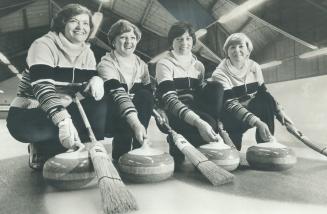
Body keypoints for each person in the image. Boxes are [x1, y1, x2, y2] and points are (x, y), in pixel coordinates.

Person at [6, 4, 107, 170]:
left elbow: (84, 89)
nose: (81, 27)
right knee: (39, 133)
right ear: (62, 23)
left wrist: (95, 79)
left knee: (100, 101)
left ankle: (86, 148)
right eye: (74, 21)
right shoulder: (43, 45)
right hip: (32, 111)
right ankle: (39, 146)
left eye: (86, 23)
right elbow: (43, 89)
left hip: (64, 107)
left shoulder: (88, 53)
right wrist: (63, 120)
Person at [155, 21, 224, 165]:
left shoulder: (199, 66)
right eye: (179, 39)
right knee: (203, 126)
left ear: (193, 41)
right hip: (171, 111)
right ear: (171, 42)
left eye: (188, 38)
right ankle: (175, 140)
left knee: (216, 88)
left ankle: (198, 140)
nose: (184, 43)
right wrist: (199, 123)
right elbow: (169, 100)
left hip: (193, 108)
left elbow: (200, 95)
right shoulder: (164, 64)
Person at [211, 32, 293, 151]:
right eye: (232, 47)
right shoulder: (219, 73)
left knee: (265, 100)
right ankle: (232, 144)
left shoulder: (254, 67)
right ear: (227, 52)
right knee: (233, 154)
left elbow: (264, 92)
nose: (237, 50)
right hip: (231, 116)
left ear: (248, 51)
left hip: (252, 111)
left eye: (241, 46)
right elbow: (230, 104)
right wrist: (257, 122)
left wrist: (280, 111)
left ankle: (266, 144)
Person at [97, 19, 154, 162]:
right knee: (122, 98)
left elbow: (148, 95)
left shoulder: (142, 65)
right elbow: (118, 94)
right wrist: (135, 123)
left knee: (145, 95)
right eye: (123, 37)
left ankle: (139, 146)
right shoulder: (106, 63)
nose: (129, 42)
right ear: (113, 42)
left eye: (132, 38)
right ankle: (120, 152)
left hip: (135, 115)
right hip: (113, 114)